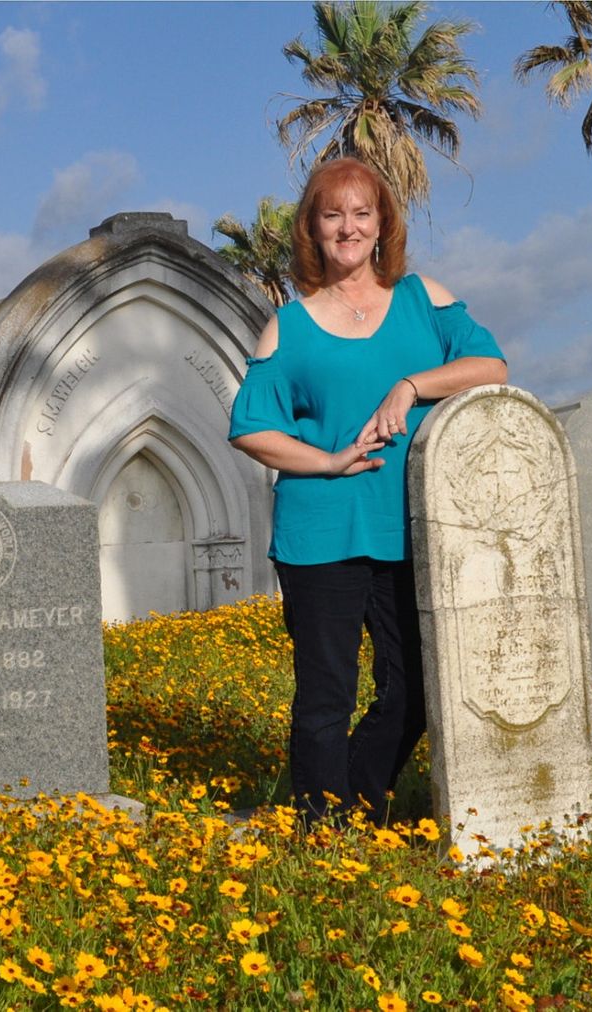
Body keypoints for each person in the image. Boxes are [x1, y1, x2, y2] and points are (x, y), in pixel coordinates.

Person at [228, 157, 507, 825]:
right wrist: (326, 462)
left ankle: (353, 797)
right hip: (318, 531)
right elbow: (249, 427)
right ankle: (323, 833)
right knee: (326, 695)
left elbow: (491, 365)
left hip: (412, 527)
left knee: (414, 687)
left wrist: (410, 385)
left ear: (382, 224)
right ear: (313, 230)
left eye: (361, 213)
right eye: (333, 215)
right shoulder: (287, 327)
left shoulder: (422, 300)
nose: (348, 228)